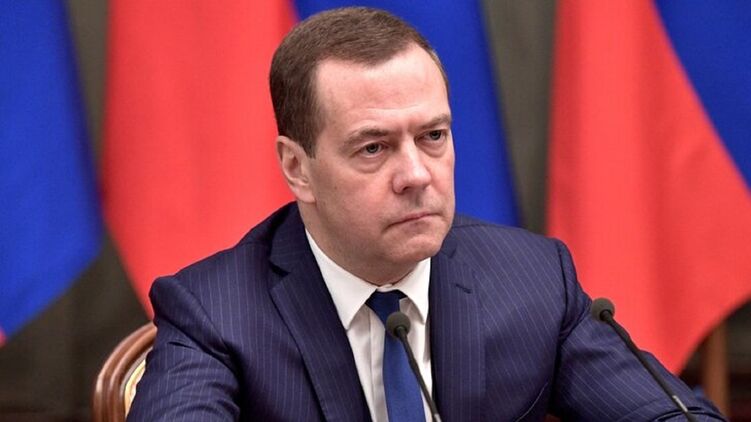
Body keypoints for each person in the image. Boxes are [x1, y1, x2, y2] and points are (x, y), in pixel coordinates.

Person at [128, 7, 725, 421]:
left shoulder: (534, 279)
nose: (416, 174)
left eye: (433, 136)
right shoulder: (215, 312)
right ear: (297, 168)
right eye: (373, 148)